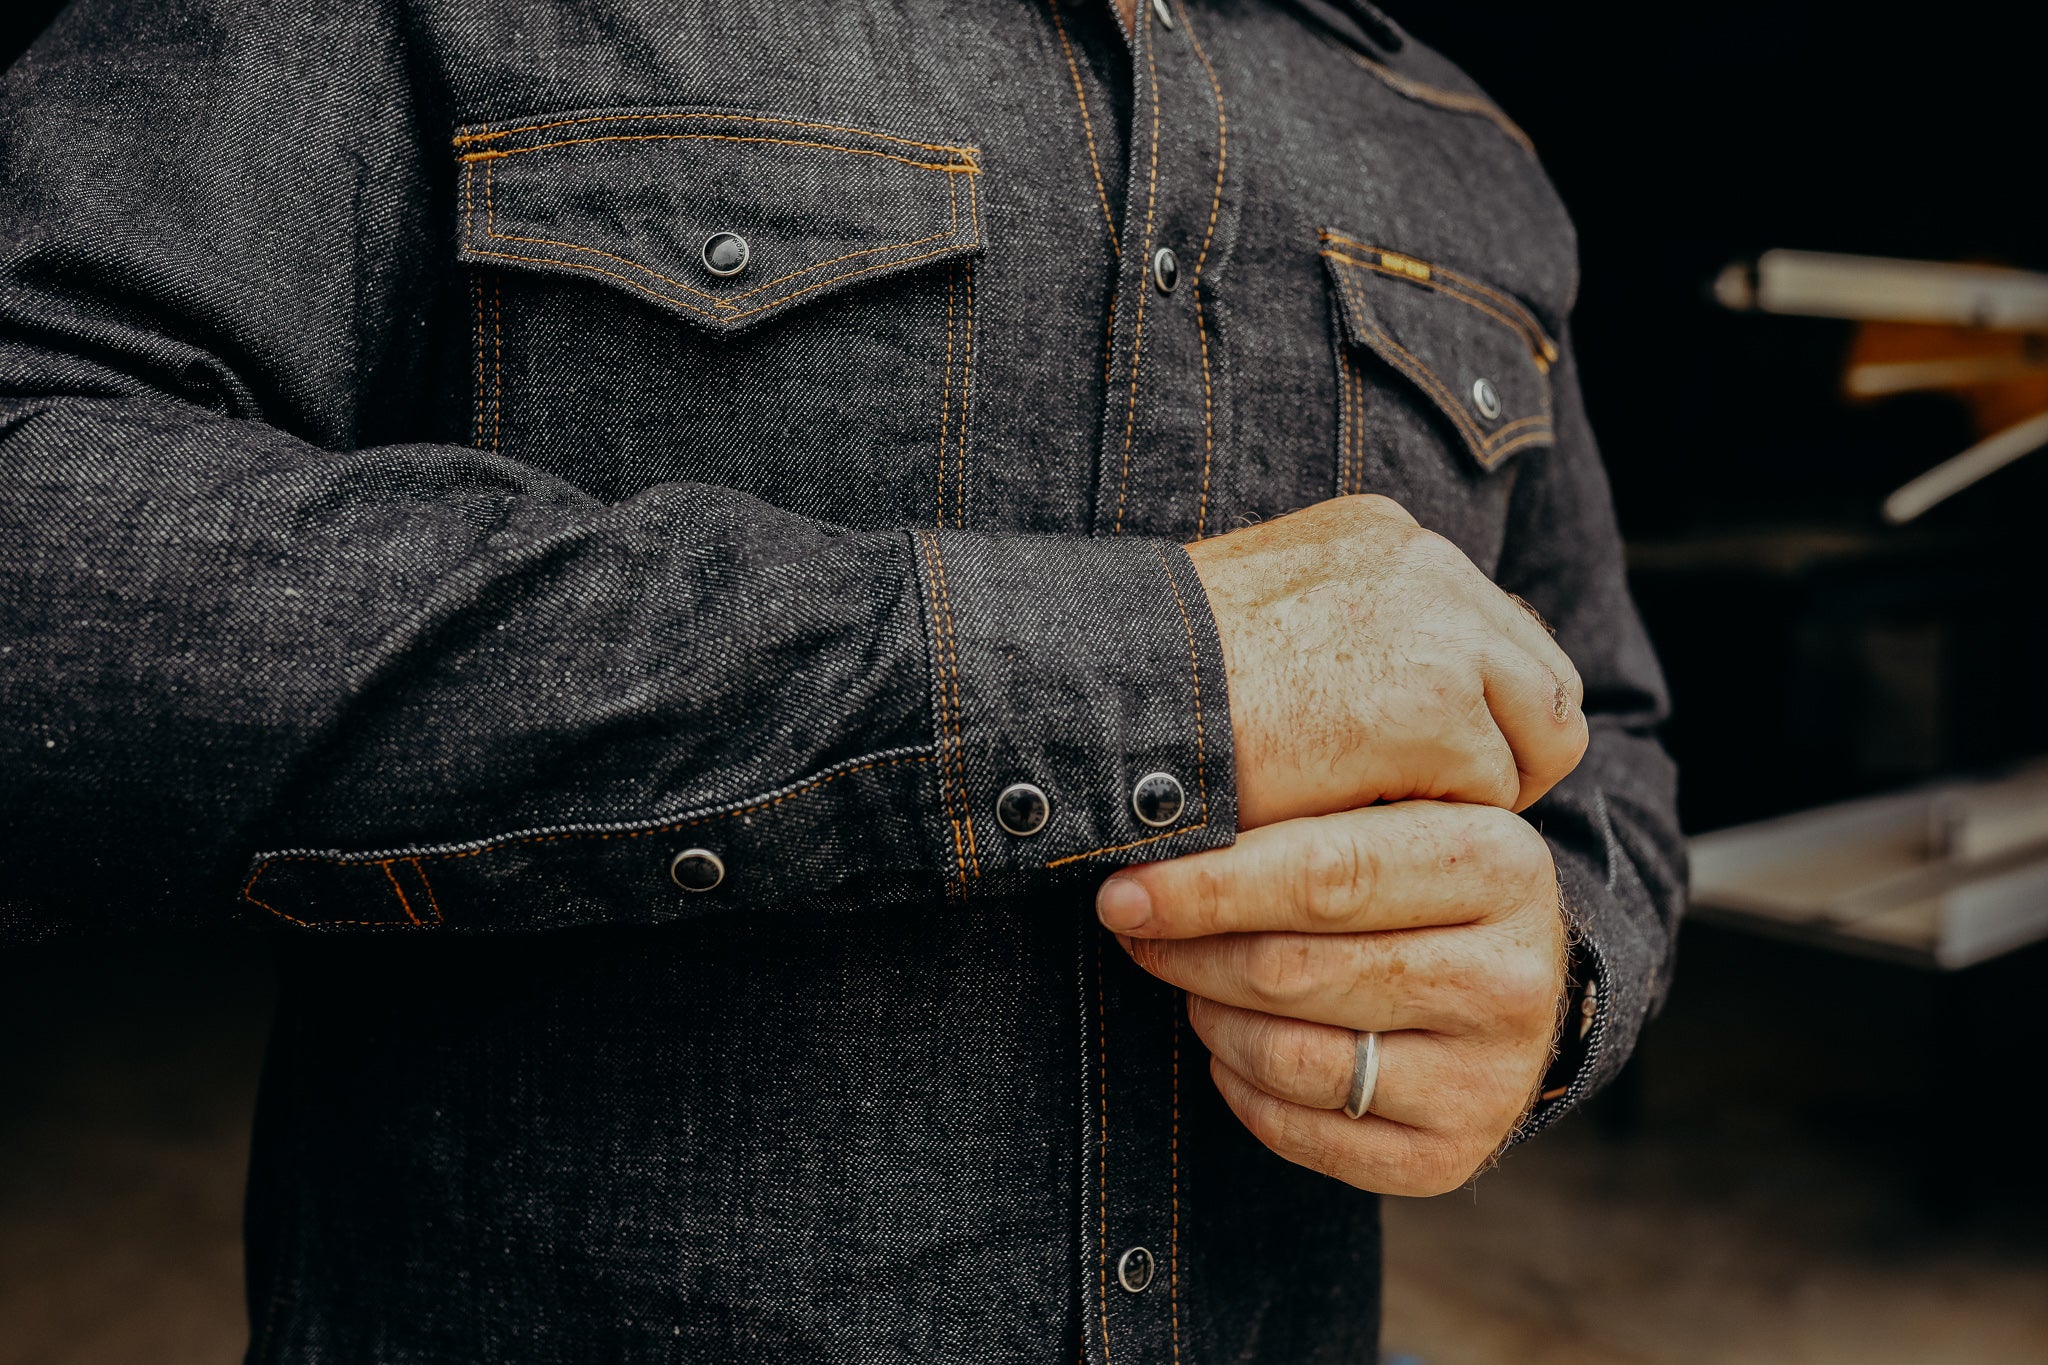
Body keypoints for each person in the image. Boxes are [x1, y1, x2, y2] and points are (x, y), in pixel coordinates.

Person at [0, 0, 1682, 1359]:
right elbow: (45, 544)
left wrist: (1558, 976)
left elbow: (1598, 719)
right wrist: (1138, 674)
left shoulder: (1464, 147)